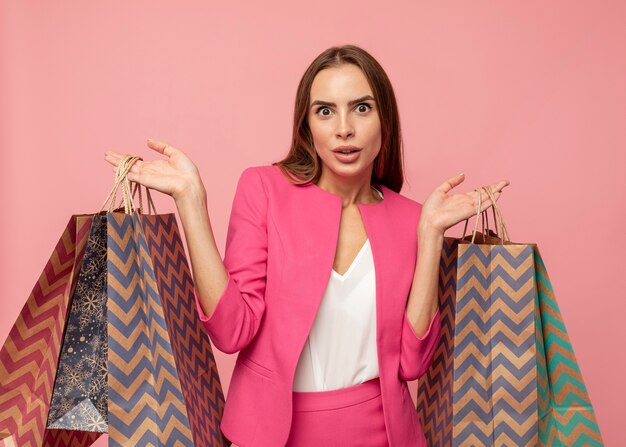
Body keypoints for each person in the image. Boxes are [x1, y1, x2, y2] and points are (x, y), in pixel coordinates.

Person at [105, 44, 509, 446]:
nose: (344, 128)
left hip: (383, 435)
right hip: (270, 434)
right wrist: (190, 200)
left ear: (385, 120)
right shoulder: (264, 189)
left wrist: (432, 232)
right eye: (325, 110)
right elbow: (231, 332)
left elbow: (412, 362)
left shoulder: (413, 219)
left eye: (362, 108)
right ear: (306, 125)